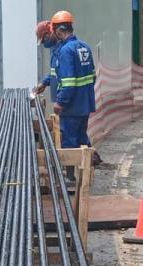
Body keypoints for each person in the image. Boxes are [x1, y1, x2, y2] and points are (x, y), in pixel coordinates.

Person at [51, 10, 96, 159]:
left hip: (71, 107)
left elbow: (69, 83)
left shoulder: (66, 50)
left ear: (59, 30)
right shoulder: (84, 46)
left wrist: (60, 102)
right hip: (85, 104)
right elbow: (93, 76)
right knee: (82, 138)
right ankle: (87, 167)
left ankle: (71, 172)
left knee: (69, 144)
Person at [33, 20, 62, 103]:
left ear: (48, 33)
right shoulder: (53, 48)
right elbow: (55, 72)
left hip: (63, 99)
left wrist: (62, 101)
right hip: (58, 98)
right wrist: (44, 83)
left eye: (43, 40)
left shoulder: (63, 49)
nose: (44, 43)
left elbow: (66, 76)